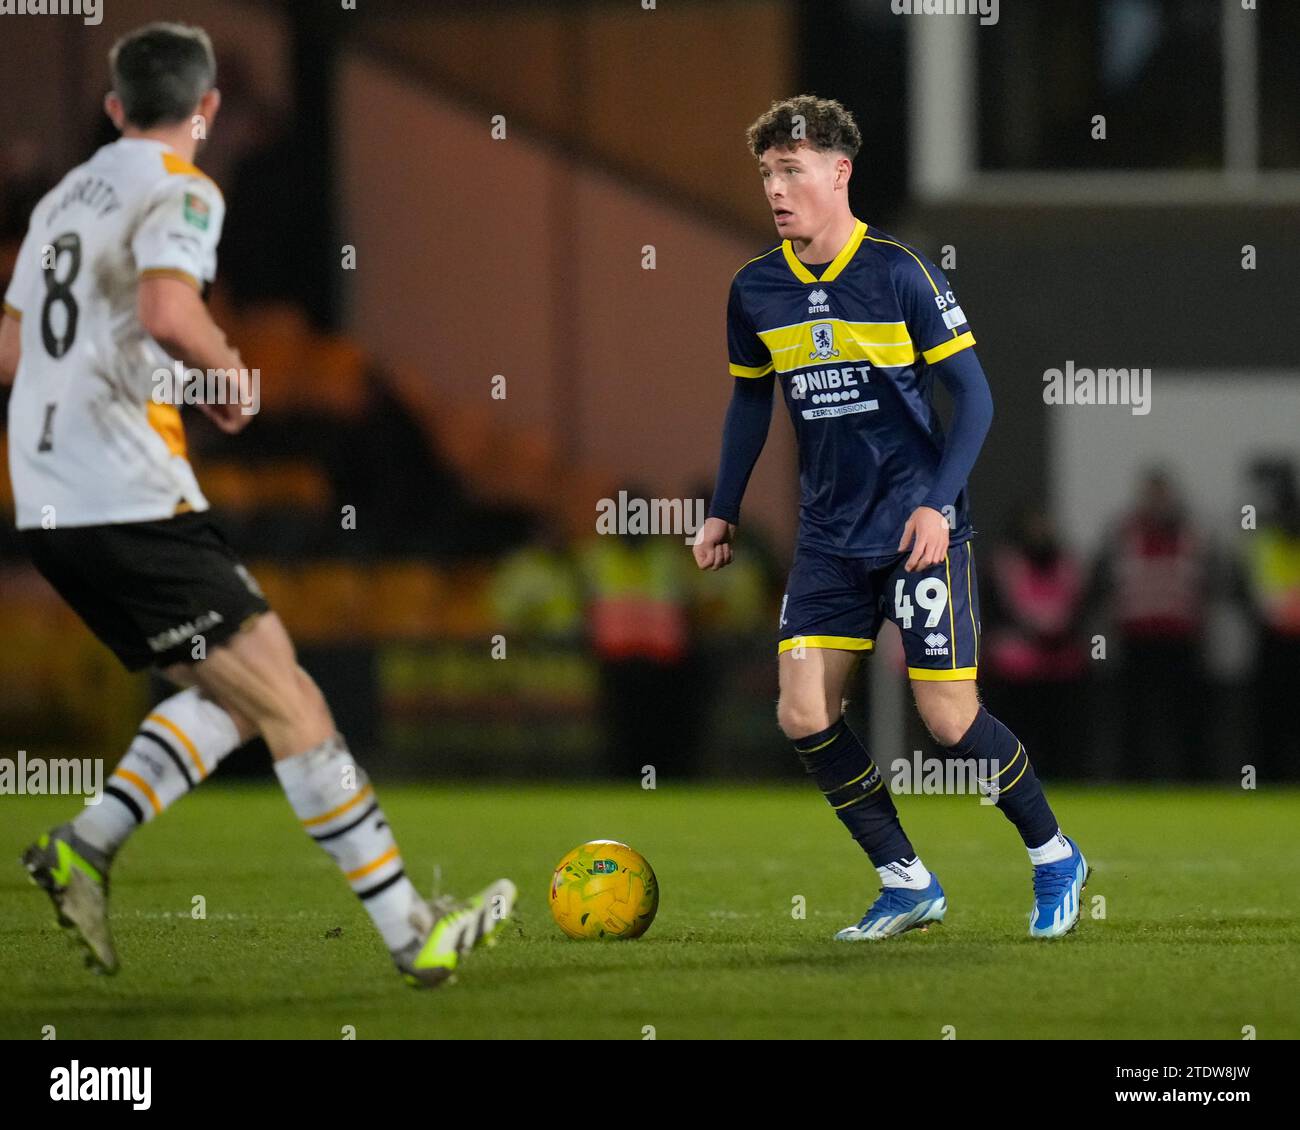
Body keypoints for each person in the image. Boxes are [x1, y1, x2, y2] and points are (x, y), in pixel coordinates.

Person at [0, 22, 513, 988]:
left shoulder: (64, 201)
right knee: (296, 703)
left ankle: (86, 844)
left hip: (48, 503)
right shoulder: (184, 187)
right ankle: (413, 932)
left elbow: (15, 355)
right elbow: (166, 310)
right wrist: (226, 371)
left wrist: (146, 388)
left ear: (114, 108)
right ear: (207, 109)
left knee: (229, 697)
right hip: (128, 499)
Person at [692, 95, 1088, 940]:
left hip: (918, 533)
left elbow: (975, 398)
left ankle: (1055, 852)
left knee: (947, 718)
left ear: (839, 173)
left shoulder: (902, 272)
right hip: (830, 539)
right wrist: (721, 512)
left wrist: (939, 506)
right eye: (767, 173)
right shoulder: (755, 289)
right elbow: (747, 403)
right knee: (801, 712)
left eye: (791, 170)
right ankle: (906, 879)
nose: (776, 188)